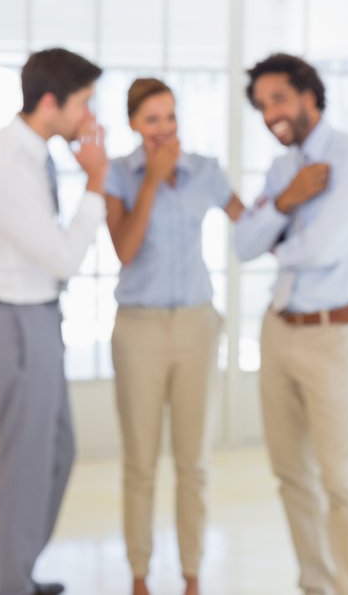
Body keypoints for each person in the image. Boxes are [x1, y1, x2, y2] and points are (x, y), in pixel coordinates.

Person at [233, 53, 348, 595]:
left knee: (341, 479)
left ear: (307, 94)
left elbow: (324, 248)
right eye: (260, 106)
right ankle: (316, 586)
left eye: (276, 98)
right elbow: (241, 243)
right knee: (292, 476)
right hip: (277, 330)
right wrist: (285, 203)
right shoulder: (282, 171)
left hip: (331, 335)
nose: (269, 112)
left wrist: (274, 235)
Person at [0, 47, 107, 595]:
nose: (89, 119)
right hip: (19, 325)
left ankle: (17, 574)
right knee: (24, 465)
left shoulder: (34, 154)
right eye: (84, 104)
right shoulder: (9, 166)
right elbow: (64, 259)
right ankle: (5, 586)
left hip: (38, 320)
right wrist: (96, 180)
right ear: (51, 102)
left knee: (54, 452)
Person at [104, 77, 243, 595]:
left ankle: (191, 576)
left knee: (194, 461)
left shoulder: (205, 171)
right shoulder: (119, 175)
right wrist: (151, 181)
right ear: (134, 125)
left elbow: (248, 223)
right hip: (138, 328)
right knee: (140, 461)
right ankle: (139, 576)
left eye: (170, 117)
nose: (164, 129)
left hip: (196, 326)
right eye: (151, 119)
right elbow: (124, 249)